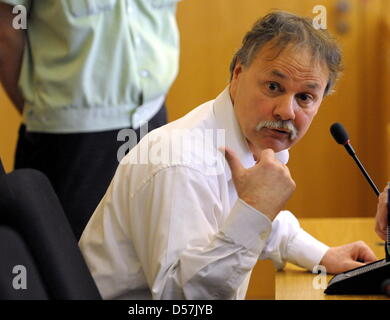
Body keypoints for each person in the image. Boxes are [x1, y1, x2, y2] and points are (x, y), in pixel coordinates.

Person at [79, 11, 378, 300]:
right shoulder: (182, 165)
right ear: (238, 74)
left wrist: (323, 255)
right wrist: (254, 209)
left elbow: (259, 225)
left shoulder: (248, 138)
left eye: (305, 97)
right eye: (273, 87)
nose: (286, 111)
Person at [0, 0, 179, 239]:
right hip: (72, 139)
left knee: (150, 245)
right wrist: (46, 111)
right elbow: (1, 34)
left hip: (153, 117)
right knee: (71, 261)